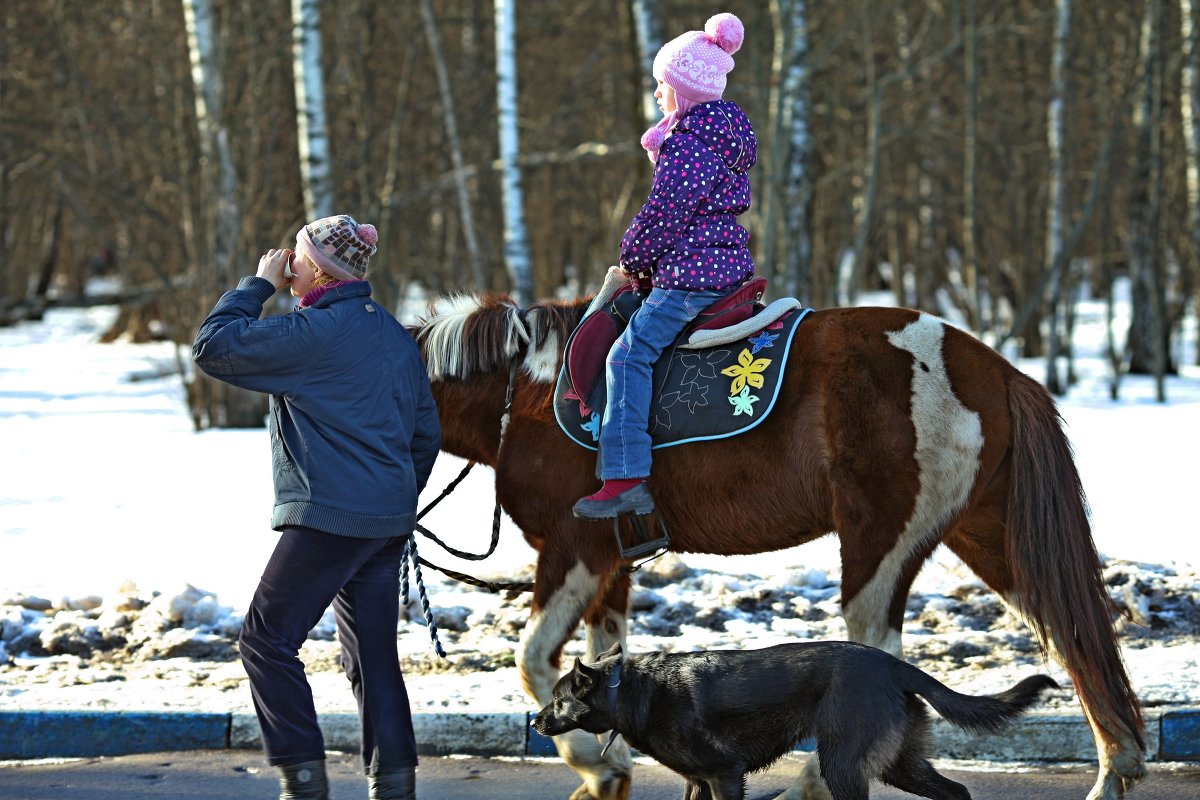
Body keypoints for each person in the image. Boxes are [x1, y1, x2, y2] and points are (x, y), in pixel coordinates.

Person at [192, 214, 440, 800]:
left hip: (332, 517)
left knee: (266, 639)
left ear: (319, 269)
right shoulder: (390, 333)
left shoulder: (317, 333)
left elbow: (213, 347)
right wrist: (395, 499)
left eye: (297, 258)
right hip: (383, 522)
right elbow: (425, 433)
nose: (287, 263)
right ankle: (394, 783)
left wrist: (257, 286)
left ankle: (303, 782)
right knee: (374, 657)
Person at [573, 12, 758, 520]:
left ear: (686, 90)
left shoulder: (688, 145)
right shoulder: (721, 138)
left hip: (690, 278)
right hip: (721, 266)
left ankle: (626, 476)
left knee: (626, 357)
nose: (657, 94)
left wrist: (632, 256)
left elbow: (664, 214)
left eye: (663, 84)